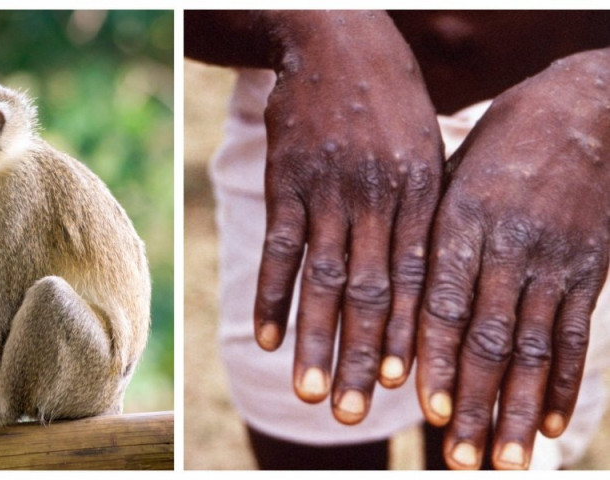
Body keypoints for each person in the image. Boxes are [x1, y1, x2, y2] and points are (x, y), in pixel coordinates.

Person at [185, 10, 610, 470]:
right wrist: (310, 22)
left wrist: (598, 92)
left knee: (503, 447)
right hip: (321, 118)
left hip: (567, 159)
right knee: (310, 439)